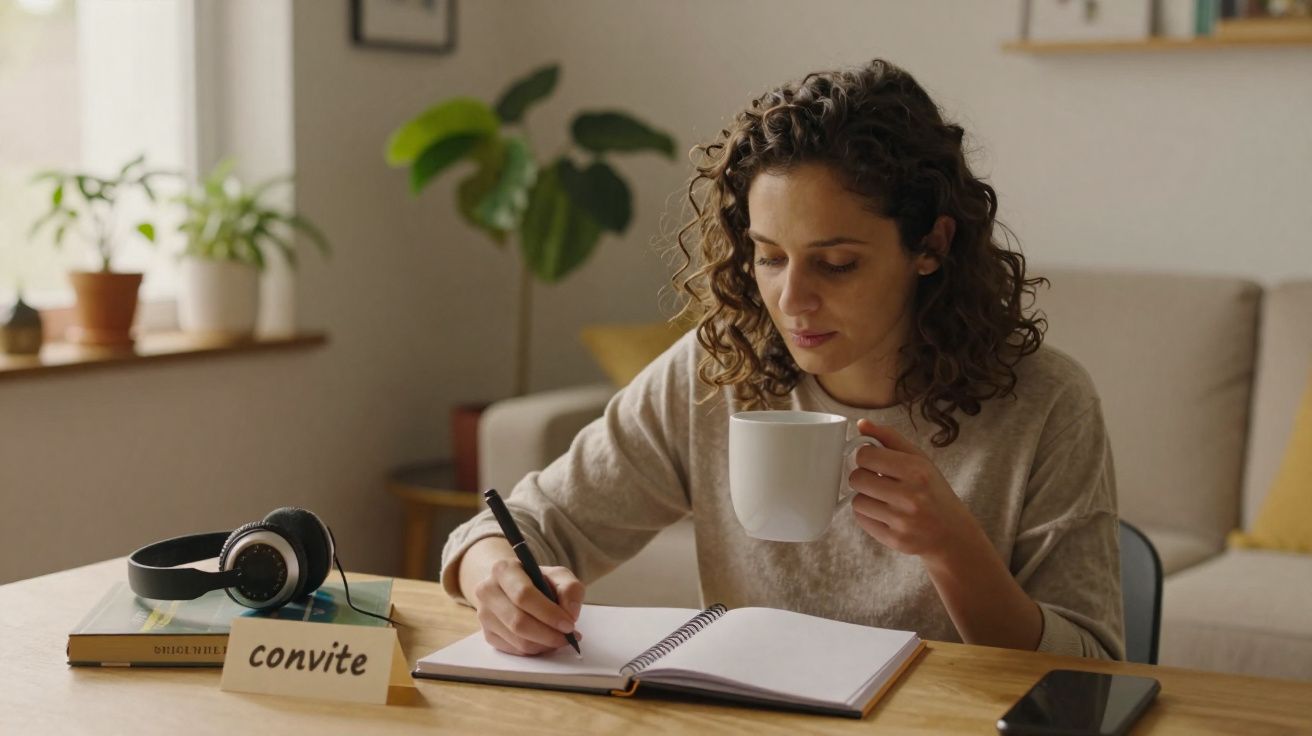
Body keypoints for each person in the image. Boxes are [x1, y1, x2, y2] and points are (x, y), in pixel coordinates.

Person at [440, 58, 1124, 661]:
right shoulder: (716, 372)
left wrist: (953, 550)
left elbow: (1091, 669)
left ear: (932, 246)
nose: (792, 299)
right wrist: (495, 578)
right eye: (769, 257)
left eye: (836, 263)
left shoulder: (1046, 403)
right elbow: (515, 526)